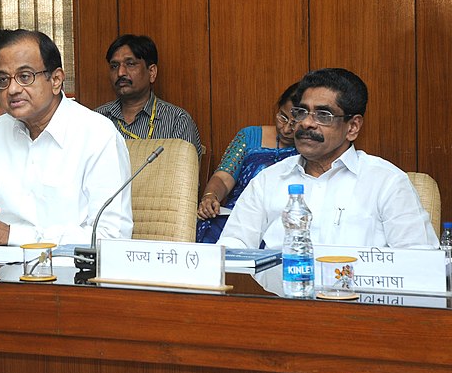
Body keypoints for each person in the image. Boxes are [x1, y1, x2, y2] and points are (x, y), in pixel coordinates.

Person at [217, 68, 438, 250]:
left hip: (361, 301)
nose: (306, 124)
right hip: (280, 299)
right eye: (301, 112)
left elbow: (419, 262)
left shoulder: (386, 182)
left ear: (352, 127)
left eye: (323, 115)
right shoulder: (269, 180)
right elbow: (233, 246)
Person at [0, 29, 133, 247]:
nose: (12, 89)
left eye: (24, 77)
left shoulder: (97, 135)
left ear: (56, 80)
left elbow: (111, 236)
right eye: (2, 79)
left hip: (68, 275)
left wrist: (11, 235)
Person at [195, 82, 300, 243]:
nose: (286, 129)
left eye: (294, 124)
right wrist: (210, 196)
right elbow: (223, 178)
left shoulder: (311, 149)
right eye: (282, 117)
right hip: (235, 219)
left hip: (283, 226)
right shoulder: (250, 136)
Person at [95, 34, 201, 152]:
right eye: (114, 66)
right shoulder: (97, 120)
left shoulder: (177, 121)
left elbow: (184, 168)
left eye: (130, 64)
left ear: (151, 72)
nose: (120, 73)